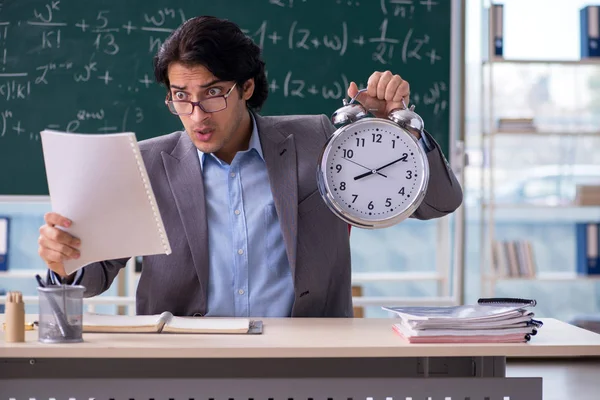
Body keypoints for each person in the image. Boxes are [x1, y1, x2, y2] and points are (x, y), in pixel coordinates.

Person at [37, 16, 462, 317]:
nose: (197, 114)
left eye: (213, 92)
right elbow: (89, 279)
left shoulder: (319, 138)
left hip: (308, 364)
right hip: (183, 370)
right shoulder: (145, 165)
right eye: (180, 95)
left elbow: (438, 204)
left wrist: (399, 131)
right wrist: (63, 262)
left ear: (248, 87)